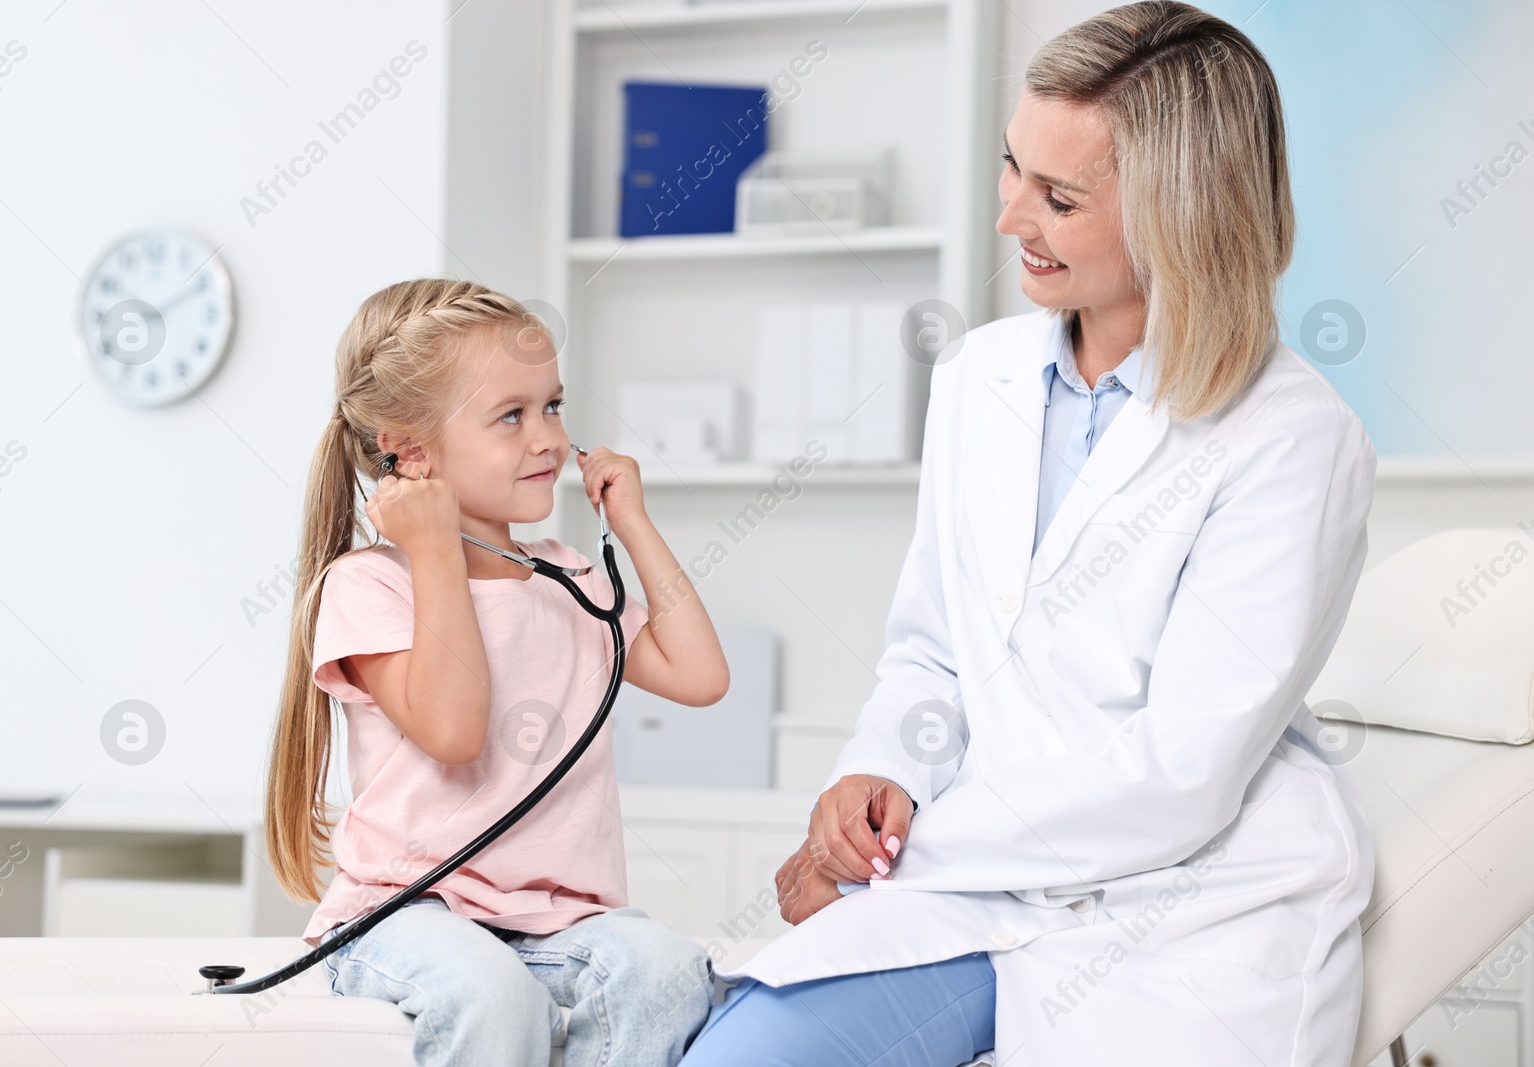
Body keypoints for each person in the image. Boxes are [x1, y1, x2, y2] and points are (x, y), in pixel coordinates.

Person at [681, 3, 1376, 1065]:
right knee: (744, 1052)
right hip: (973, 886)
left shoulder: (1291, 437)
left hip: (1184, 906)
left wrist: (903, 850)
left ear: (1184, 215)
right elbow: (934, 646)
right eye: (1013, 169)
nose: (1010, 218)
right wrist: (882, 778)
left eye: (1058, 198)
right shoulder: (978, 378)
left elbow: (1175, 776)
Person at [264, 279, 728, 1066]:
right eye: (511, 416)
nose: (547, 437)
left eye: (552, 406)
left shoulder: (570, 577)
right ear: (407, 450)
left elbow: (699, 674)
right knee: (489, 989)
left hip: (556, 920)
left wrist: (634, 523)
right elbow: (453, 730)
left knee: (666, 969)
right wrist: (436, 545)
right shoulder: (371, 585)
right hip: (407, 911)